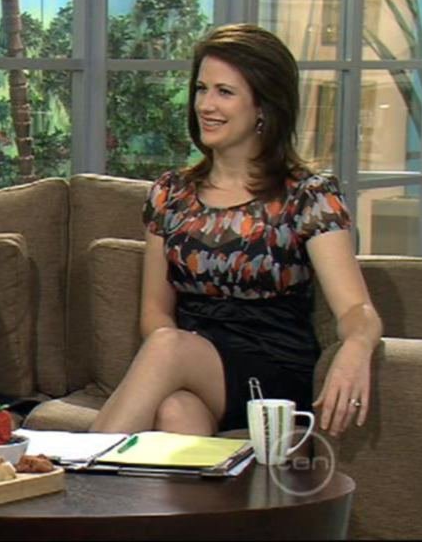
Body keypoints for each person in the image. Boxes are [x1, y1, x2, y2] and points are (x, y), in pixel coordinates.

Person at [90, 24, 382, 439]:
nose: (205, 105)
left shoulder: (308, 195)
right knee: (175, 410)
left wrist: (356, 346)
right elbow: (154, 313)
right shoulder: (170, 194)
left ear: (263, 106)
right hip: (194, 367)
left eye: (224, 92)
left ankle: (74, 470)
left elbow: (356, 309)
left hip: (273, 370)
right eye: (201, 89)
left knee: (169, 346)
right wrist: (183, 366)